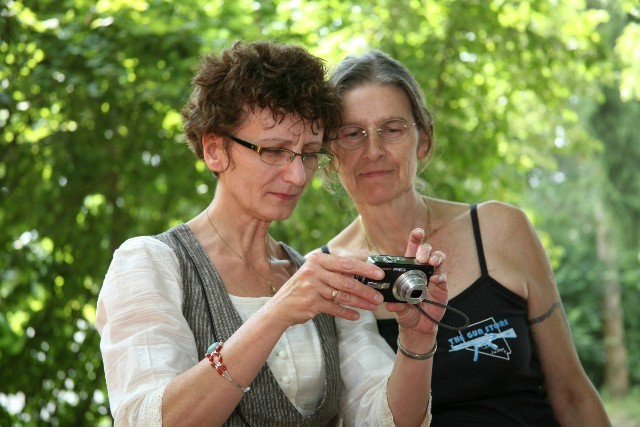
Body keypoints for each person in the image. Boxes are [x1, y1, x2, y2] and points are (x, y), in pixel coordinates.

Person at [96, 41, 449, 426]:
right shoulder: (149, 264)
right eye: (274, 150)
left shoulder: (321, 278)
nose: (297, 176)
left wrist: (418, 340)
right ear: (215, 150)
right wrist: (276, 314)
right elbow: (147, 419)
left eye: (309, 153)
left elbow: (386, 421)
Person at [311, 50, 611, 426]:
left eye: (392, 129)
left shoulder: (499, 229)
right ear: (330, 154)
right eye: (352, 134)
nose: (374, 151)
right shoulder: (327, 274)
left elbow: (571, 392)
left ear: (423, 140)